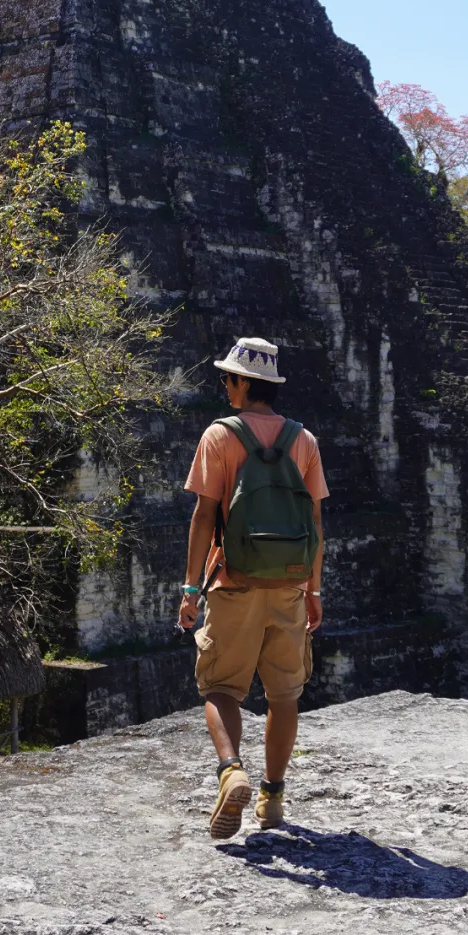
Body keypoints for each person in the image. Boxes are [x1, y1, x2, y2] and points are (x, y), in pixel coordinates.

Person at [179, 337, 327, 840]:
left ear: (244, 383)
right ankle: (273, 797)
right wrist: (314, 591)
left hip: (233, 581)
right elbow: (314, 524)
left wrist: (191, 588)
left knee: (221, 688)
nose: (225, 385)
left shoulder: (220, 436)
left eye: (228, 377)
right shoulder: (303, 440)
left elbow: (203, 517)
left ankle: (231, 771)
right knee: (285, 694)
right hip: (288, 584)